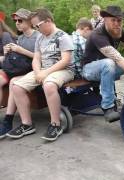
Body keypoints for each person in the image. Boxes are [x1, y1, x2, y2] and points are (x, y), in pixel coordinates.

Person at [6, 8, 74, 142]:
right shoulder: (40, 38)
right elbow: (36, 58)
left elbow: (66, 60)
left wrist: (45, 73)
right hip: (43, 70)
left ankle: (55, 124)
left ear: (48, 21)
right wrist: (37, 72)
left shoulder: (62, 36)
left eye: (38, 25)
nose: (37, 28)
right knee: (16, 86)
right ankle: (27, 124)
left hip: (64, 70)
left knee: (48, 85)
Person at [0, 8, 40, 139]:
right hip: (24, 71)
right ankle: (8, 120)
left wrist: (21, 50)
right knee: (12, 81)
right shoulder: (20, 38)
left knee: (13, 82)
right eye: (15, 20)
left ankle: (8, 121)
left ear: (29, 21)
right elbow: (19, 59)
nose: (17, 23)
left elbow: (43, 58)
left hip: (37, 70)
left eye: (20, 20)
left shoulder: (38, 36)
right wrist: (8, 52)